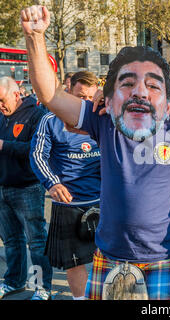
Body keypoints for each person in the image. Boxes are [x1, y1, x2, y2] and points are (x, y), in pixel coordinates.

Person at [21, 5, 170, 300]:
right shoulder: (105, 122)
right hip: (110, 259)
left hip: (169, 261)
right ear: (112, 99)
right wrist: (36, 37)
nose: (140, 91)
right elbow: (50, 94)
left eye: (153, 85)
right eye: (128, 83)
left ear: (168, 103)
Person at [29, 71, 101, 300]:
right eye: (81, 97)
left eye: (91, 98)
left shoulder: (102, 117)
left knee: (109, 257)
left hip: (104, 201)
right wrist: (52, 183)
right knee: (74, 262)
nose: (86, 103)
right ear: (69, 91)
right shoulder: (50, 120)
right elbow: (37, 155)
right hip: (70, 203)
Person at [0, 76, 53, 300]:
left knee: (37, 240)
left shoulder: (36, 115)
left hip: (28, 187)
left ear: (16, 94)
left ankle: (42, 287)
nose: (0, 106)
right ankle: (14, 282)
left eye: (2, 100)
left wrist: (4, 146)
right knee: (11, 240)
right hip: (2, 186)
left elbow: (37, 150)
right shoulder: (1, 115)